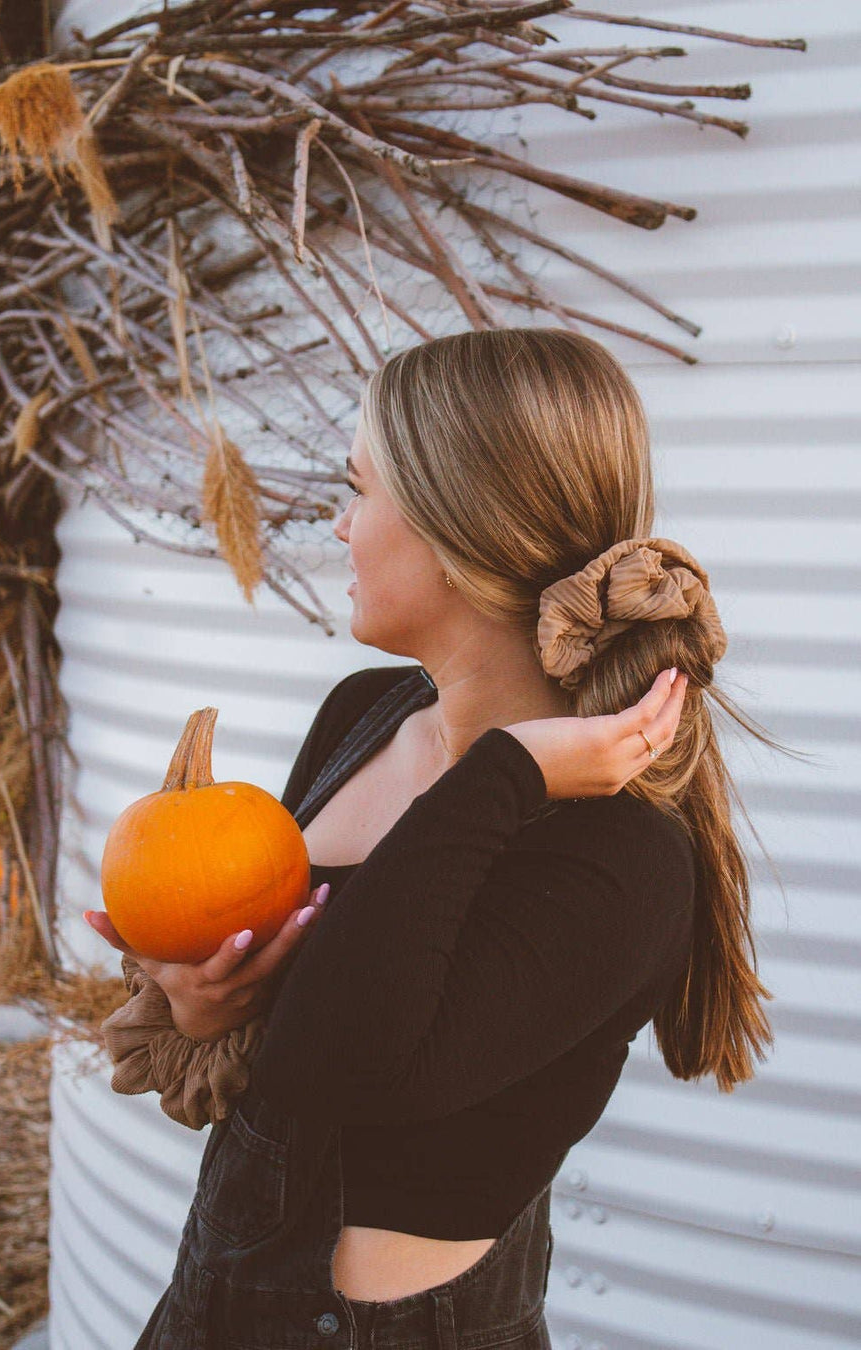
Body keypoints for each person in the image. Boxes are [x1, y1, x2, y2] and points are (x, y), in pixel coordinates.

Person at [88, 328, 775, 1350]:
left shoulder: (620, 858)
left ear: (462, 533)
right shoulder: (365, 713)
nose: (338, 523)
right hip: (215, 1302)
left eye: (360, 491)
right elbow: (284, 1029)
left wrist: (506, 773)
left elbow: (338, 1070)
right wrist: (202, 1002)